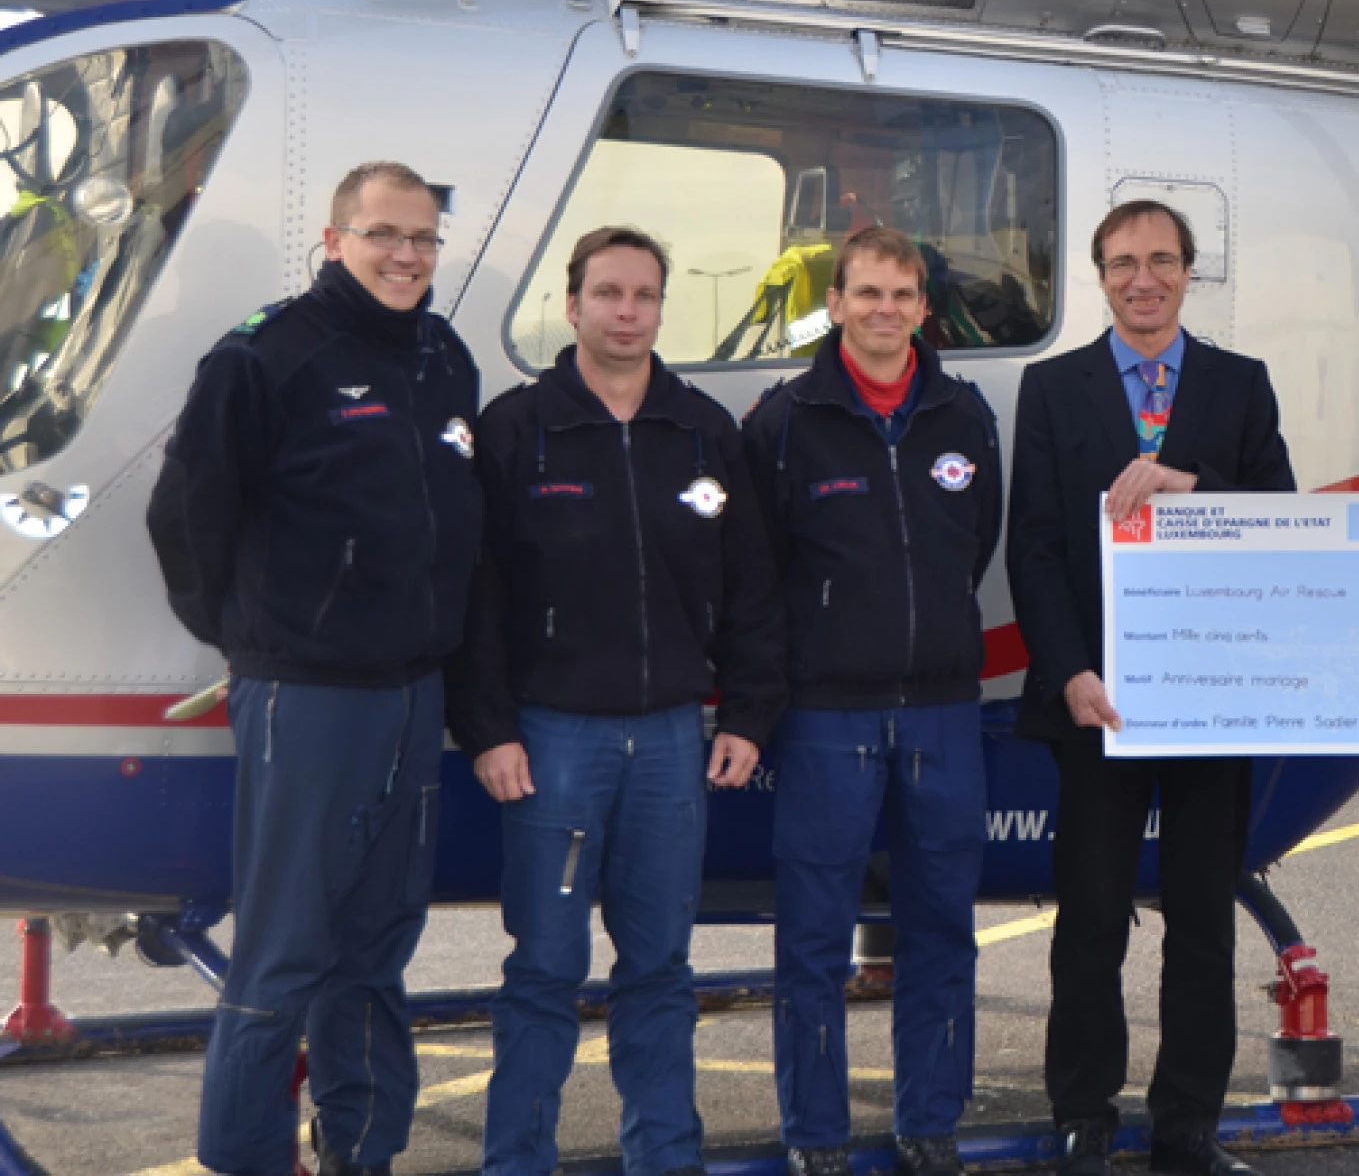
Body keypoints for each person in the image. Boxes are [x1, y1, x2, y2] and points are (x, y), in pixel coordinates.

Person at [148, 161, 481, 1176]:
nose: (406, 255)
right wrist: (259, 638)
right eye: (383, 234)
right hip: (309, 696)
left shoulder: (444, 357)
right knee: (285, 948)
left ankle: (361, 1148)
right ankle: (246, 1157)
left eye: (422, 238)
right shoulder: (265, 357)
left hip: (413, 692)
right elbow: (185, 518)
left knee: (377, 947)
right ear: (334, 241)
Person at [444, 227, 785, 1176]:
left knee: (661, 969)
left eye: (644, 295)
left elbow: (753, 588)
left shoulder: (703, 430)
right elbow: (476, 597)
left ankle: (665, 1158)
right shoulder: (516, 429)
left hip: (673, 740)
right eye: (608, 293)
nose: (626, 312)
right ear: (573, 304)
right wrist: (489, 730)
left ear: (661, 309)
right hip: (553, 742)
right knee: (545, 969)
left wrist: (749, 715)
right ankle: (516, 1161)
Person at [1006, 202, 1295, 1176]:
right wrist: (1070, 671)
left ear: (1187, 272)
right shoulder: (1054, 387)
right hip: (1098, 700)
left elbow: (1281, 521)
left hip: (1211, 697)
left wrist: (1192, 487)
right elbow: (1034, 545)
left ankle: (1188, 1125)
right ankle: (1083, 1112)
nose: (1144, 278)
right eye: (1124, 262)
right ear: (1100, 276)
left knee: (1204, 920)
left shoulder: (1240, 385)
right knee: (1091, 917)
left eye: (1162, 260)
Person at [742, 226, 1002, 1176]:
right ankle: (815, 1135)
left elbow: (975, 542)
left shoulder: (966, 416)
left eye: (901, 295)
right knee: (814, 941)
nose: (885, 310)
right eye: (867, 294)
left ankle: (930, 1123)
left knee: (942, 932)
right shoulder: (784, 421)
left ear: (924, 307)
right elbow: (757, 574)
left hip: (944, 710)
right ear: (837, 304)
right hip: (827, 718)